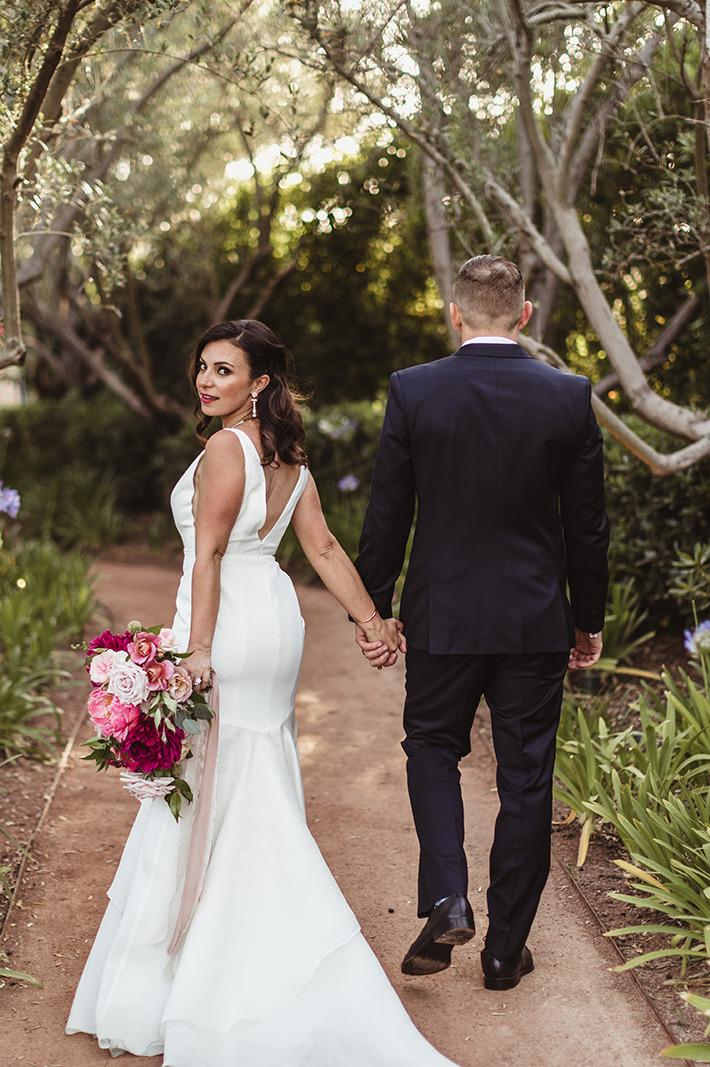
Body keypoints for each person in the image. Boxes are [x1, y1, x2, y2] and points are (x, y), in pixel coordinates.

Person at [67, 319, 458, 1066]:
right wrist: (370, 620)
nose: (207, 382)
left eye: (225, 370)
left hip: (232, 624)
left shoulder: (224, 448)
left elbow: (209, 552)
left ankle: (230, 968)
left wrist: (200, 649)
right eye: (203, 368)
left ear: (261, 382)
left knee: (217, 781)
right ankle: (242, 939)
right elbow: (323, 549)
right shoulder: (289, 462)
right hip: (271, 616)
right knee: (251, 774)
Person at [354, 255, 610, 992]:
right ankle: (505, 950)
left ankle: (446, 897)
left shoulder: (415, 390)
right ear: (525, 314)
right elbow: (587, 527)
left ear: (456, 313)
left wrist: (377, 609)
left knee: (433, 747)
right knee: (527, 776)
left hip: (443, 617)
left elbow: (387, 511)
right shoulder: (568, 397)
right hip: (535, 622)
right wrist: (585, 619)